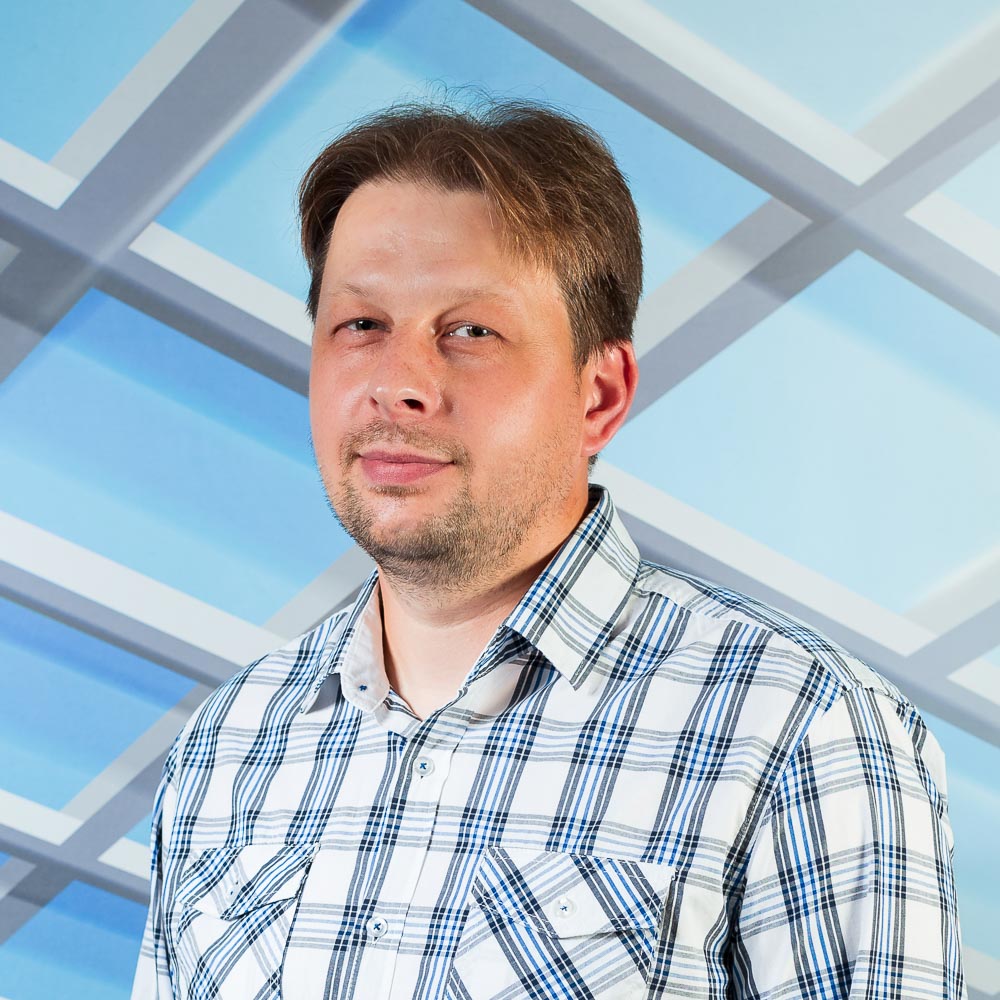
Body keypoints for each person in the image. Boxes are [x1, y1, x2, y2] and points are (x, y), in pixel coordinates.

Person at [131, 100, 965, 999]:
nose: (397, 383)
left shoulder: (800, 725)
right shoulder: (225, 744)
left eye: (471, 331)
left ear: (599, 396)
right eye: (361, 324)